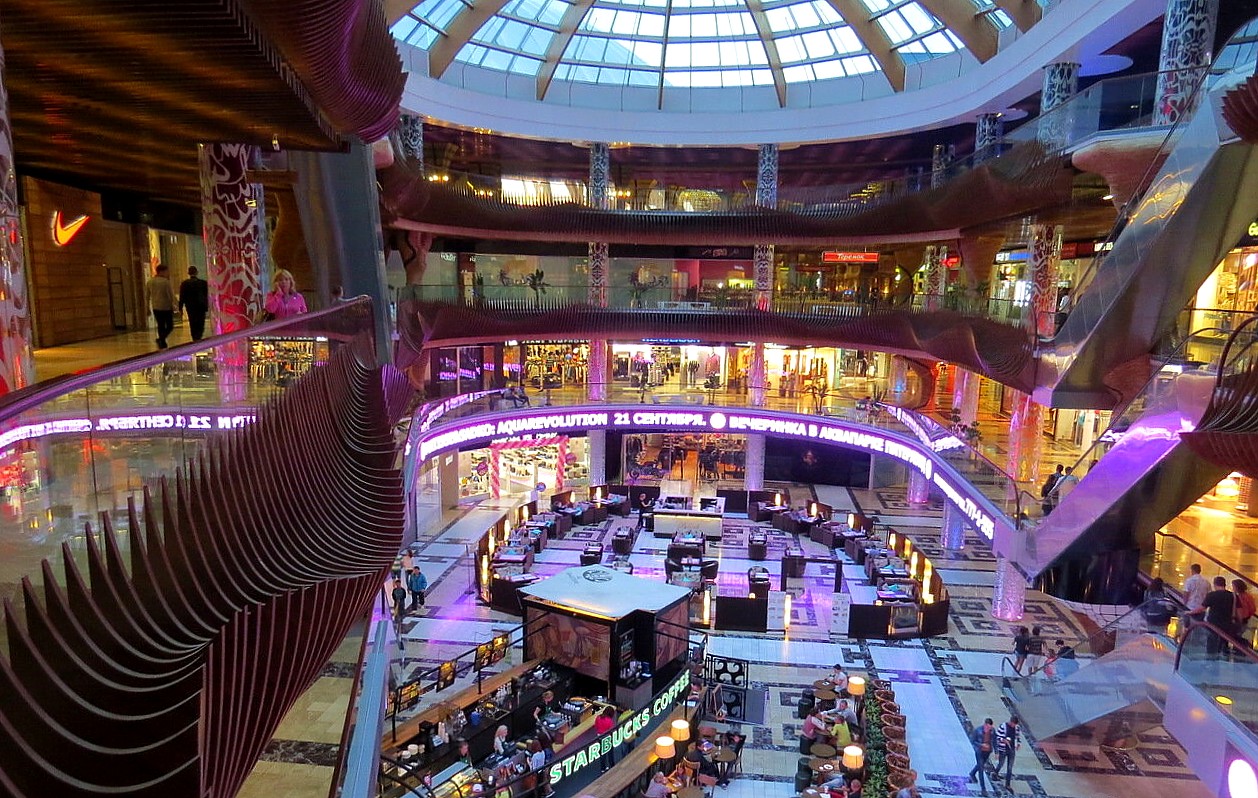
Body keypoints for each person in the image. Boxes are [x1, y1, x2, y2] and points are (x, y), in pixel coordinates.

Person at [1190, 576, 1236, 656]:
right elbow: (1237, 610)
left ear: (1215, 584)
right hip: (1227, 623)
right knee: (1224, 642)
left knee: (1212, 643)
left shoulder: (1211, 595)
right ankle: (1223, 655)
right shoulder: (1232, 595)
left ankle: (1211, 658)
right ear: (1224, 584)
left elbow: (1202, 608)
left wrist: (1190, 612)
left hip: (1213, 623)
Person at [145, 264, 176, 349]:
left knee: (160, 324)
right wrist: (174, 304)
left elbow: (147, 296)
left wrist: (147, 307)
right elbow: (170, 295)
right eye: (166, 271)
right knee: (170, 326)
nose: (167, 273)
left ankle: (162, 341)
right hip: (166, 307)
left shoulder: (150, 282)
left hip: (156, 307)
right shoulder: (166, 282)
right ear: (162, 271)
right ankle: (161, 339)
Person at [177, 266, 210, 342]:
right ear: (197, 272)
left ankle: (195, 337)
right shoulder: (203, 283)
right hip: (201, 306)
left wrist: (180, 308)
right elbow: (207, 295)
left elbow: (182, 296)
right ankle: (199, 336)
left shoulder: (184, 284)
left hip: (190, 306)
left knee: (192, 322)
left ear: (188, 273)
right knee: (201, 322)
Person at [968, 718, 996, 796]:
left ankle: (972, 773)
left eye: (990, 727)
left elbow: (994, 741)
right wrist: (981, 745)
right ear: (985, 725)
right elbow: (972, 740)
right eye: (988, 727)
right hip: (979, 752)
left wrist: (996, 752)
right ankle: (983, 789)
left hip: (987, 751)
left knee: (980, 765)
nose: (989, 728)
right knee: (981, 768)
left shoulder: (992, 730)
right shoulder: (978, 730)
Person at [992, 717, 1020, 790]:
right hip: (1003, 749)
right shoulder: (1003, 726)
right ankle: (995, 773)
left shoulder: (1017, 728)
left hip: (1012, 749)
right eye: (1013, 724)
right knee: (1001, 763)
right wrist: (1003, 740)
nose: (1014, 726)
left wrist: (1018, 743)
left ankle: (1008, 784)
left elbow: (1017, 736)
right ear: (1011, 722)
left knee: (1010, 767)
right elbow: (997, 737)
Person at [1234, 580, 1255, 646]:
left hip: (1239, 619)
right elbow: (1253, 608)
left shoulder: (1237, 597)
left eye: (1233, 586)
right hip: (1246, 618)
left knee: (1238, 636)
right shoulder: (1249, 596)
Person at [595, 706, 616, 771]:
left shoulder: (598, 717)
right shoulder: (609, 720)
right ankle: (611, 765)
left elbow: (596, 726)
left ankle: (603, 768)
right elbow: (611, 730)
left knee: (602, 753)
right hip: (607, 737)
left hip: (599, 737)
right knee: (610, 752)